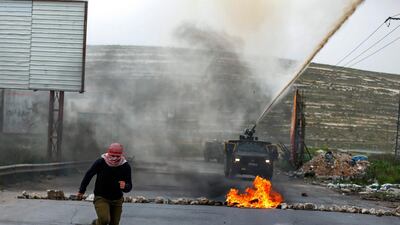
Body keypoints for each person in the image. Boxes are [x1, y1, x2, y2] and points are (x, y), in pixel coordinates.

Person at [78, 143, 132, 225]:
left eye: (117, 156)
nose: (114, 159)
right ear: (108, 153)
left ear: (121, 155)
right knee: (104, 220)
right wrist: (82, 190)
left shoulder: (125, 166)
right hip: (101, 197)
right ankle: (95, 223)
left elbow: (129, 185)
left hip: (117, 199)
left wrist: (125, 186)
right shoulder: (101, 162)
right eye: (112, 155)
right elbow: (88, 175)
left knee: (114, 223)